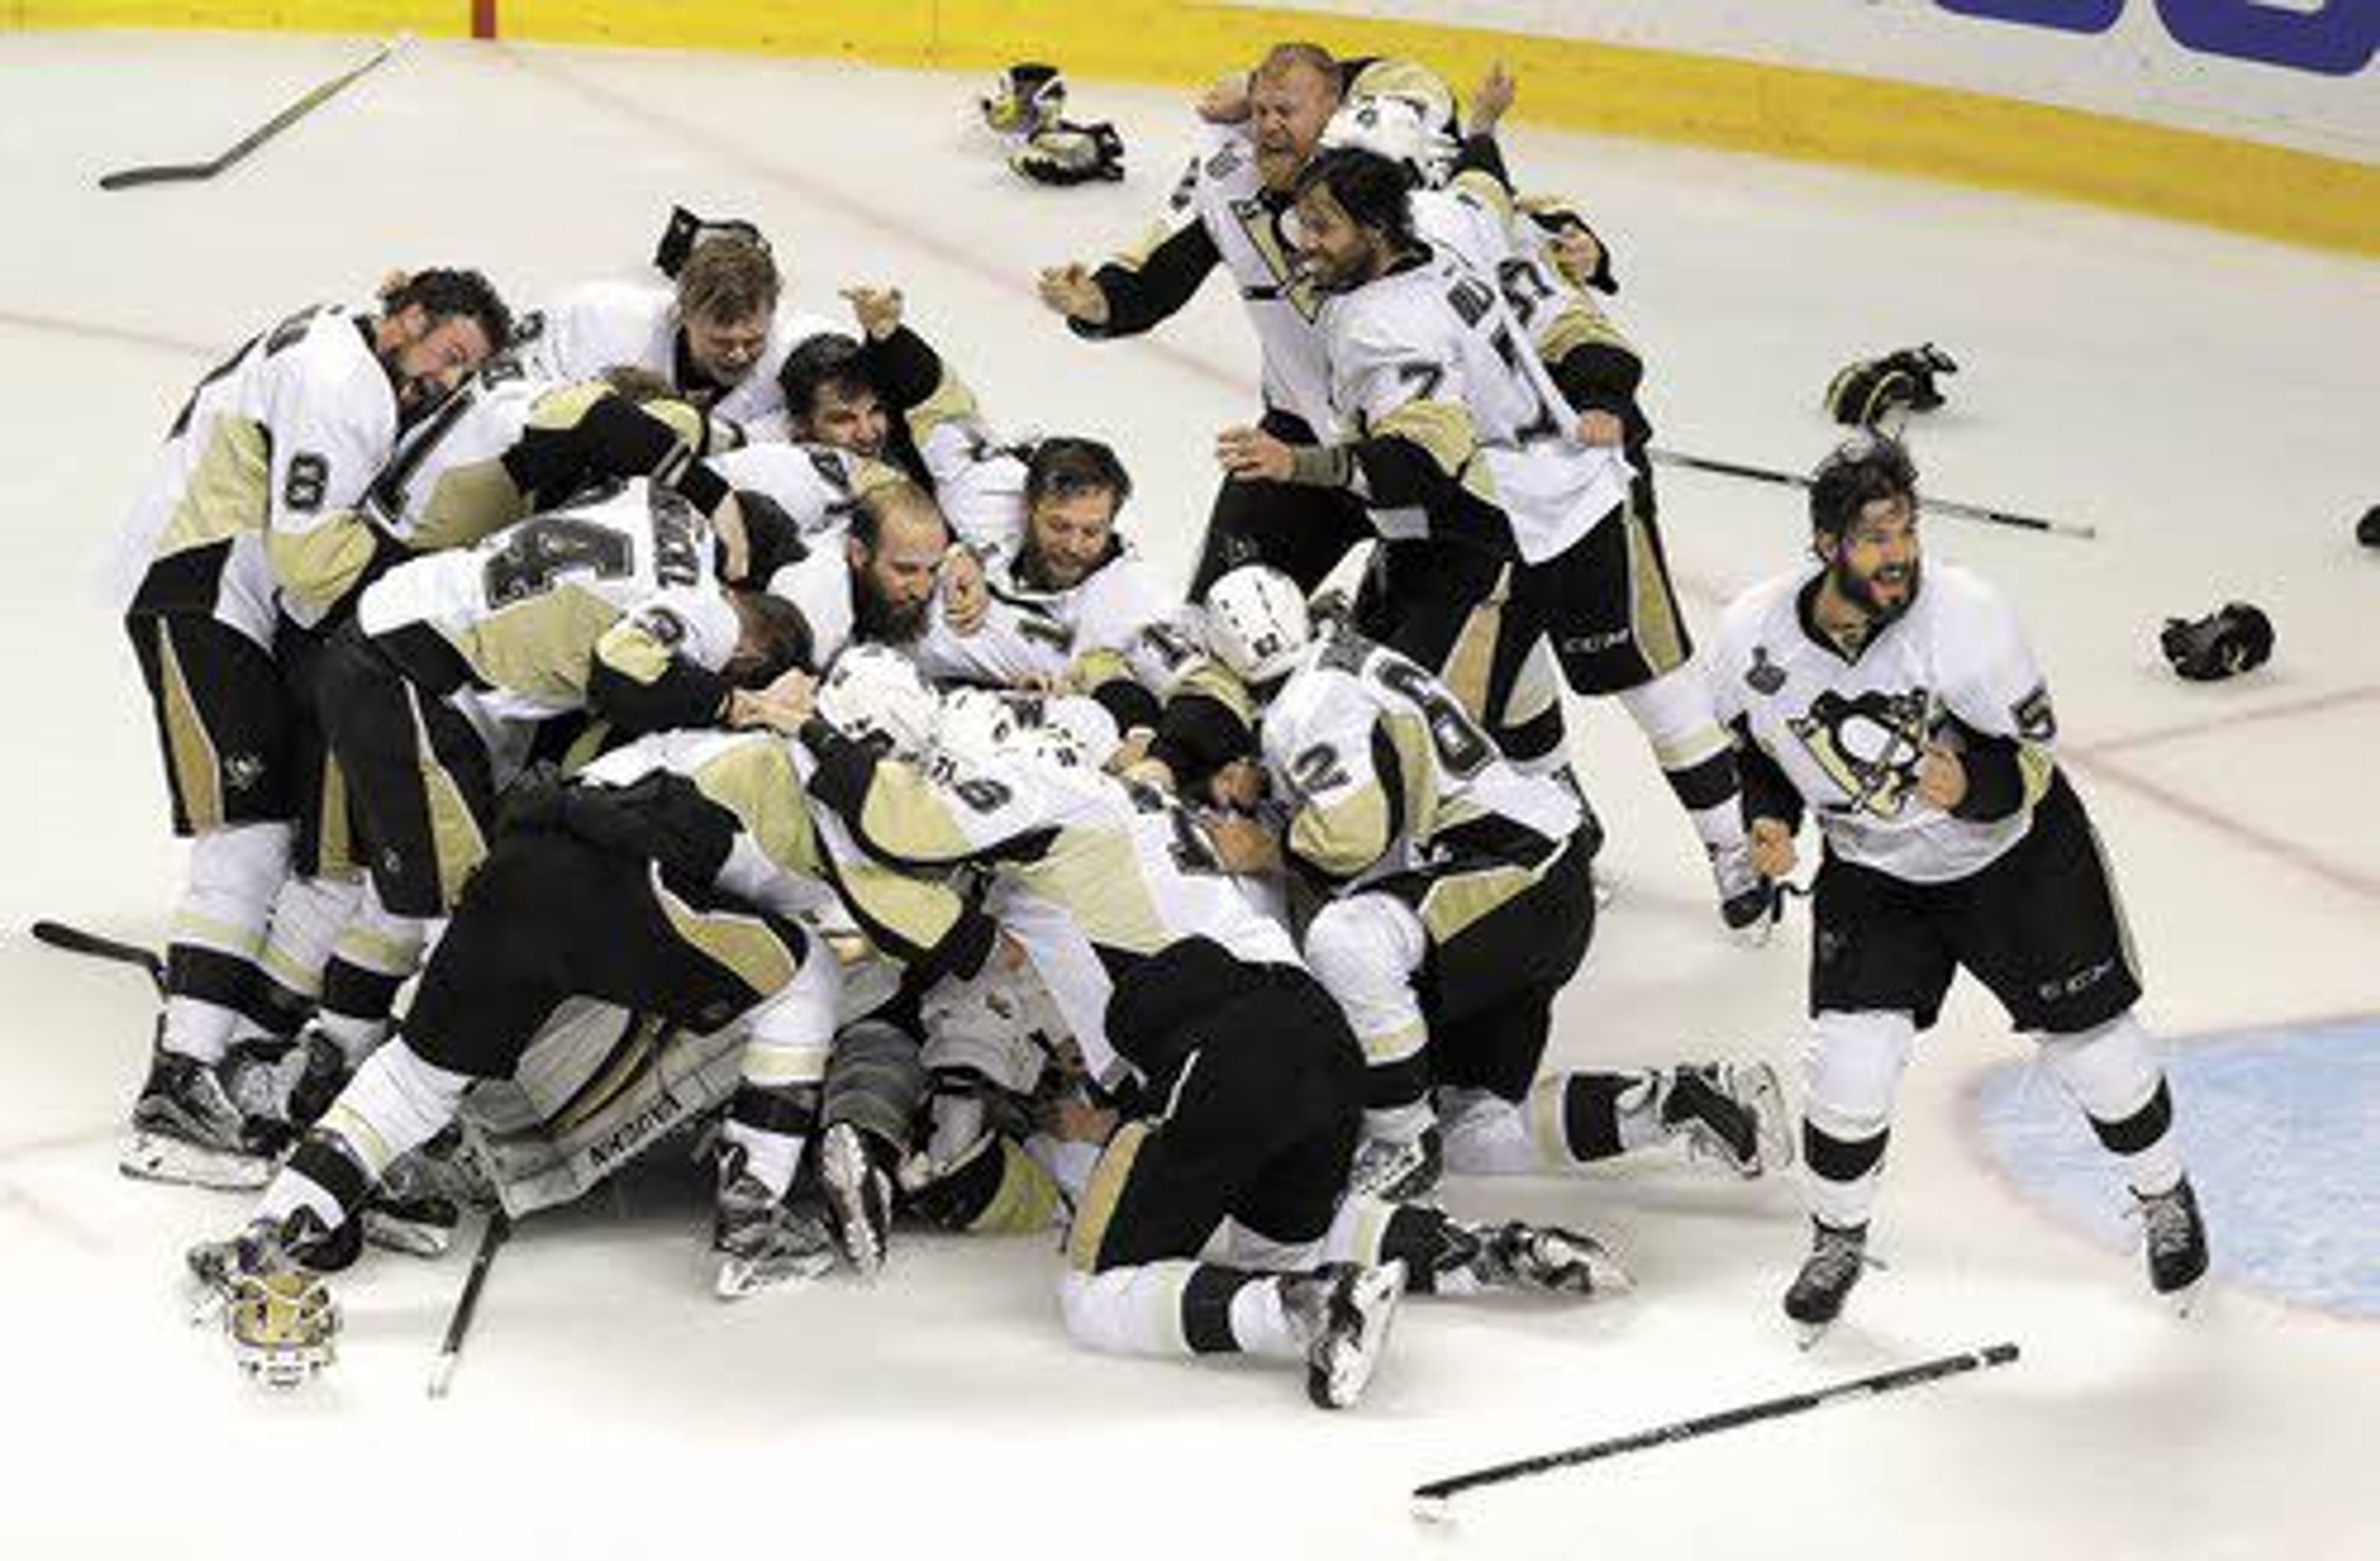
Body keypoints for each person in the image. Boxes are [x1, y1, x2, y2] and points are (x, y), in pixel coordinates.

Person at [795, 685, 1626, 1409]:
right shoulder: (1133, 815)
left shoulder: (1054, 794)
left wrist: (813, 735)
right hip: (1316, 1033)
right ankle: (1484, 1251)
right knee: (1271, 1244)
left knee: (1098, 1294)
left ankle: (1312, 1308)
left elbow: (896, 820)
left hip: (1224, 1039)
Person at [1708, 433, 2209, 1339]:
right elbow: (1756, 749)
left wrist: (1966, 786)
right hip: (1874, 871)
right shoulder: (1752, 630)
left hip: (2014, 859)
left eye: (1906, 530)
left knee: (2101, 1056)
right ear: (1827, 545)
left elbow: (2032, 764)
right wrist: (1770, 818)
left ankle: (2165, 1193)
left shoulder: (1970, 616)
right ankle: (1837, 1237)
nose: (1899, 552)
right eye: (1874, 536)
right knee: (1848, 1069)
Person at [1217, 145, 1769, 933]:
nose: (1303, 240)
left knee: (1638, 687)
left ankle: (1728, 851)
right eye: (1303, 221)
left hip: (1524, 517)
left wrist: (1294, 462)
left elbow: (1417, 462)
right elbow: (1489, 191)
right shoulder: (1444, 221)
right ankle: (1574, 830)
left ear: (1377, 227)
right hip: (1553, 499)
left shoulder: (1383, 328)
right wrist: (1482, 129)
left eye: (1323, 225)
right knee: (1511, 691)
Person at [1199, 565, 1787, 1200]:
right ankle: (1682, 1100)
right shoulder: (1346, 659)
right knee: (1474, 1132)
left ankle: (1400, 1140)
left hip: (1512, 870)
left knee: (1348, 940)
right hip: (1537, 884)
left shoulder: (1306, 703)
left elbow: (1354, 837)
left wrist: (1266, 846)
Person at [112, 268, 510, 1189]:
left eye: (466, 370)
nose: (449, 381)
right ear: (408, 320)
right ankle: (178, 1083)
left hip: (225, 593)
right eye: (449, 355)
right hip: (204, 590)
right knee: (247, 840)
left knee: (277, 839)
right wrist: (428, 577)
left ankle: (228, 1047)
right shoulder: (343, 386)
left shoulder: (344, 345)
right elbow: (313, 563)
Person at [1036, 43, 1380, 600]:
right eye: (1262, 111)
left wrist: (1248, 85)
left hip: (1423, 455)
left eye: (1286, 112)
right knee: (1216, 626)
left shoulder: (1387, 168)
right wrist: (1097, 303)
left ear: (1334, 110)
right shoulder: (1227, 174)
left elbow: (1415, 81)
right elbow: (1155, 278)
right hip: (1298, 440)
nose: (1269, 127)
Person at [523, 230, 834, 443]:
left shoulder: (800, 348)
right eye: (722, 342)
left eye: (753, 341)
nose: (739, 354)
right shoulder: (600, 319)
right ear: (683, 315)